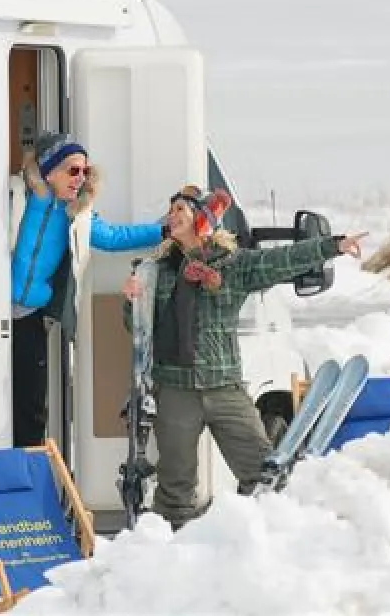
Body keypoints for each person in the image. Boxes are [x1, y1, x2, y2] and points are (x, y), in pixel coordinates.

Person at [121, 184, 366, 529]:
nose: (171, 216)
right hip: (175, 391)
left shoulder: (233, 266)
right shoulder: (157, 270)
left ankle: (265, 540)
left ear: (203, 220)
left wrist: (332, 246)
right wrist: (132, 301)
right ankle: (173, 551)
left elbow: (282, 261)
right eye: (171, 210)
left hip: (226, 389)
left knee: (262, 472)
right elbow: (138, 329)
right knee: (175, 489)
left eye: (181, 210)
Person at [10, 132, 164, 448]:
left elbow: (114, 237)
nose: (80, 178)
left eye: (85, 171)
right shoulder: (19, 198)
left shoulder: (76, 215)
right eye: (73, 170)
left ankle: (27, 470)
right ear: (49, 172)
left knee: (30, 405)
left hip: (28, 318)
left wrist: (163, 231)